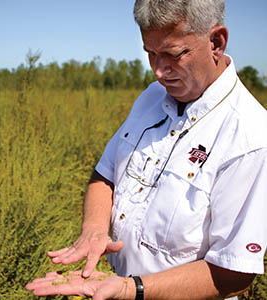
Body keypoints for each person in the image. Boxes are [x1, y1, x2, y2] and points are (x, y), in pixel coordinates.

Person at [26, 0, 267, 299]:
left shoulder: (250, 138)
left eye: (173, 54)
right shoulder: (151, 98)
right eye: (150, 54)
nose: (158, 71)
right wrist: (94, 229)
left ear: (216, 42)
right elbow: (105, 176)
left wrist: (133, 289)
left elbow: (233, 272)